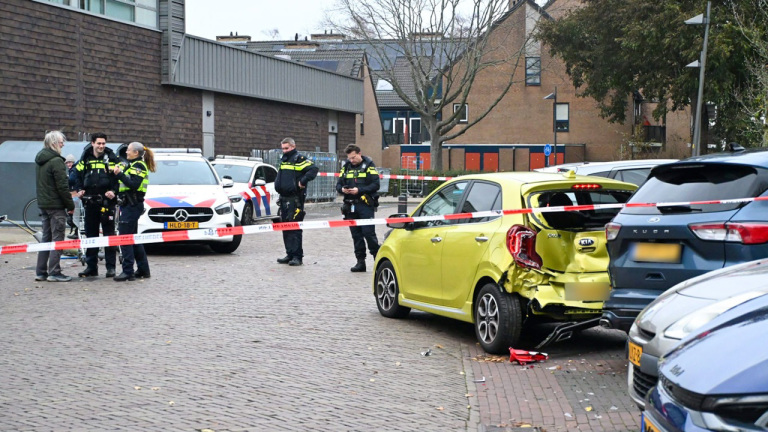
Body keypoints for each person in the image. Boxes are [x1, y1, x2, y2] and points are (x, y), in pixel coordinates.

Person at [74, 132, 120, 278]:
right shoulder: (86, 157)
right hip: (90, 202)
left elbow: (118, 177)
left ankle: (111, 268)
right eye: (98, 143)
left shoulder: (111, 158)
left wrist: (114, 191)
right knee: (91, 235)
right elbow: (75, 174)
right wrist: (79, 189)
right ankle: (91, 267)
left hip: (107, 203)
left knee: (109, 236)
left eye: (103, 143)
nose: (101, 146)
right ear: (92, 143)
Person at [34, 131, 76, 282]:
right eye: (60, 142)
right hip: (56, 206)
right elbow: (62, 187)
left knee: (46, 238)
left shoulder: (40, 160)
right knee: (58, 238)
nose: (63, 144)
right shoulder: (56, 161)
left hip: (43, 205)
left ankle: (41, 272)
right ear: (53, 143)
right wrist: (70, 205)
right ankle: (54, 272)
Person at [113, 142, 155, 282]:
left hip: (131, 205)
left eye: (129, 150)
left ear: (136, 153)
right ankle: (143, 270)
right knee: (134, 239)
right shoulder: (133, 165)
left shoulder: (138, 165)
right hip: (130, 205)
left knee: (125, 238)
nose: (126, 153)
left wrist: (119, 174)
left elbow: (134, 184)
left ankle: (128, 271)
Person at [336, 144, 381, 272]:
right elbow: (338, 184)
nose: (352, 160)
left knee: (368, 233)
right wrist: (343, 189)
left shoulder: (369, 165)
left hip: (365, 204)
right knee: (356, 235)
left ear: (359, 153)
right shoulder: (346, 167)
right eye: (350, 158)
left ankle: (377, 261)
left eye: (354, 157)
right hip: (350, 205)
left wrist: (359, 190)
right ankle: (360, 262)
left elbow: (376, 184)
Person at [274, 137, 318, 266]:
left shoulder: (299, 159)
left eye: (286, 148)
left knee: (295, 227)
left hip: (295, 199)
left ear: (293, 147)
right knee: (285, 227)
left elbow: (313, 169)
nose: (284, 151)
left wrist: (302, 181)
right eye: (283, 148)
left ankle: (297, 256)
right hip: (284, 198)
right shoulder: (284, 160)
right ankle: (290, 253)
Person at [64, 154, 79, 239]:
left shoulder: (74, 170)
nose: (69, 164)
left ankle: (76, 232)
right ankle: (76, 231)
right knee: (75, 213)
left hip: (75, 194)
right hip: (73, 194)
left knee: (75, 213)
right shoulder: (72, 170)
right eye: (67, 163)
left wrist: (65, 178)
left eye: (70, 162)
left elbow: (72, 180)